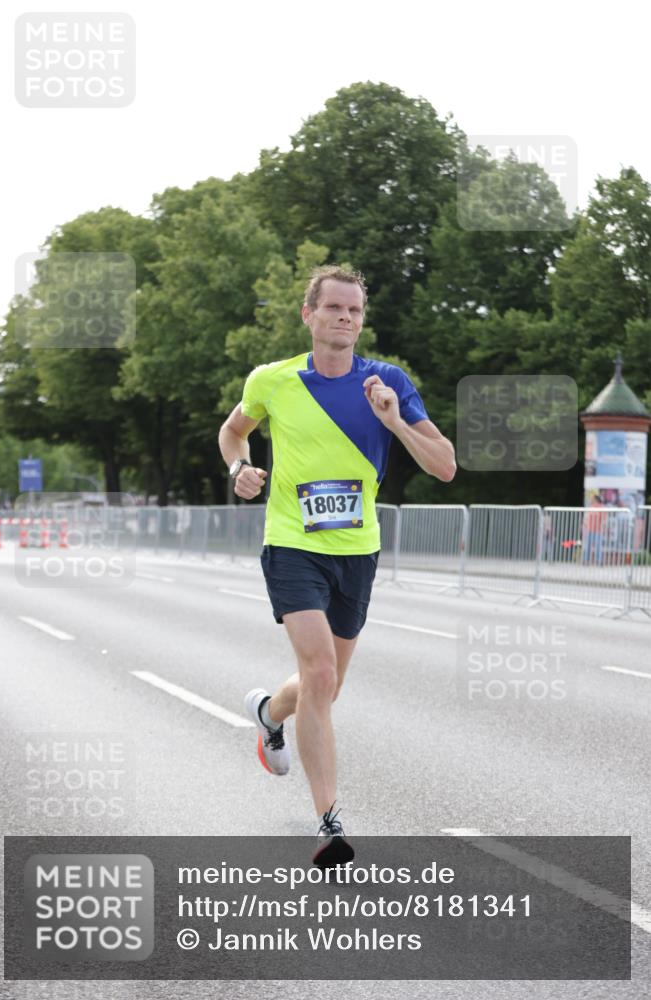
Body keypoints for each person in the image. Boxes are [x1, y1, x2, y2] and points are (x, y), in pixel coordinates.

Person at [218, 265, 456, 868]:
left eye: (354, 311)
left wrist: (394, 421)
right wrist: (238, 469)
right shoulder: (272, 380)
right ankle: (329, 823)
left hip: (358, 551)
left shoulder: (387, 381)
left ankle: (270, 713)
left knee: (327, 685)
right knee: (320, 672)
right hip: (293, 543)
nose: (345, 318)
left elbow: (445, 467)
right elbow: (233, 431)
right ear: (309, 315)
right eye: (334, 308)